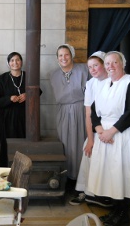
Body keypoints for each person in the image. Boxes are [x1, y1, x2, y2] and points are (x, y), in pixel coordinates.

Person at [87, 51, 130, 226]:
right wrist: (100, 130)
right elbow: (94, 110)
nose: (110, 66)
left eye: (114, 62)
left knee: (121, 174)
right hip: (105, 136)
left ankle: (123, 214)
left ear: (122, 63)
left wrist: (111, 131)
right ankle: (115, 210)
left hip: (123, 136)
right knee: (110, 175)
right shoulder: (103, 84)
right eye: (107, 63)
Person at [69, 51, 112, 207]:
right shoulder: (91, 84)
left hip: (112, 130)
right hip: (96, 128)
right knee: (88, 153)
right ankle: (86, 192)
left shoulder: (114, 81)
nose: (93, 70)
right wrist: (91, 138)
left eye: (96, 65)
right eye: (90, 67)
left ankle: (106, 196)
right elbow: (88, 113)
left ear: (104, 65)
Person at [49, 44, 89, 185]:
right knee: (65, 144)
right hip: (63, 112)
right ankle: (67, 179)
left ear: (72, 55)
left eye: (66, 54)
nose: (63, 58)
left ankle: (82, 180)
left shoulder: (84, 69)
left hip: (82, 110)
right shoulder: (54, 74)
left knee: (82, 143)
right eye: (60, 55)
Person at [0, 52, 27, 167]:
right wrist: (9, 99)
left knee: (24, 142)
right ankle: (6, 168)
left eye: (17, 60)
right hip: (7, 118)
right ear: (8, 63)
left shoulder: (28, 76)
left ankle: (23, 168)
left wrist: (28, 95)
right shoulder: (3, 78)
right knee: (7, 144)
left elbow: (38, 92)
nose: (15, 62)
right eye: (12, 60)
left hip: (25, 117)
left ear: (21, 62)